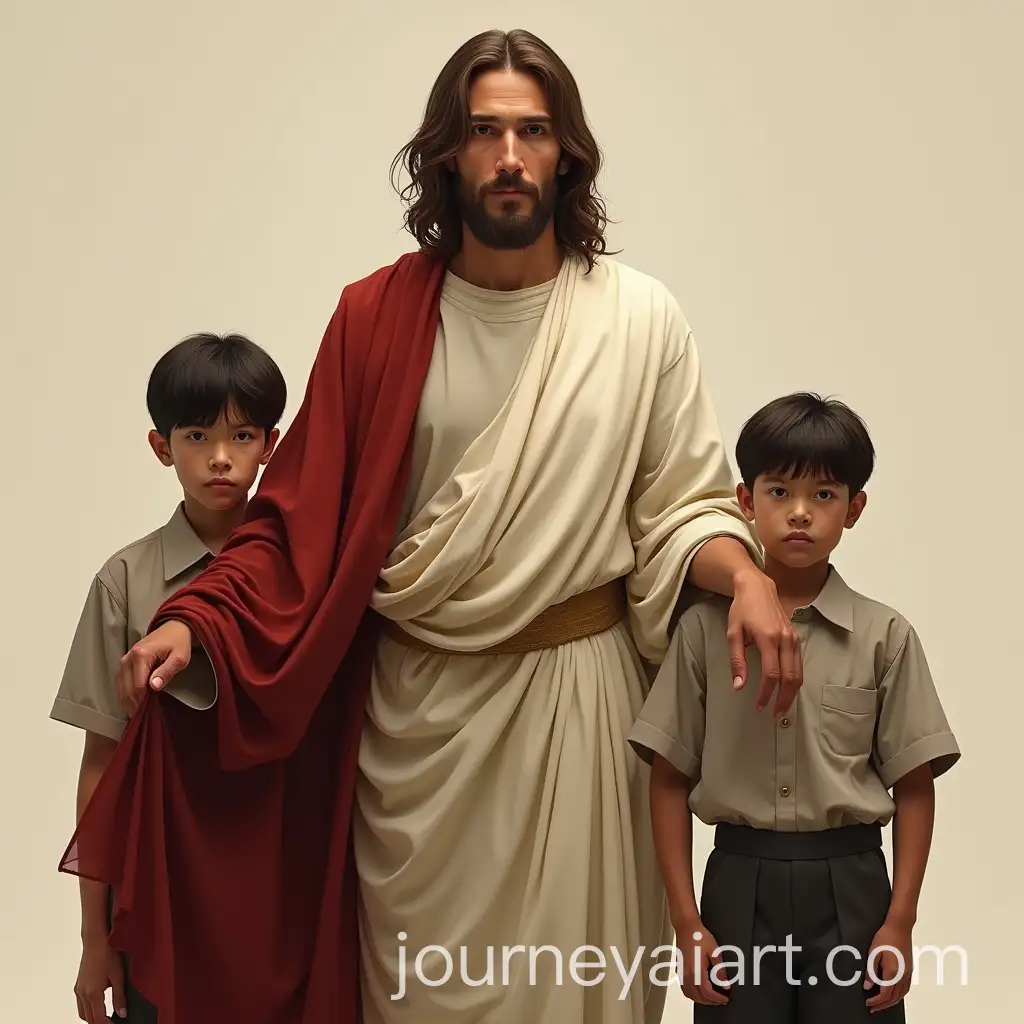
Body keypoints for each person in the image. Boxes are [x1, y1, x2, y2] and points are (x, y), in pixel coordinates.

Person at [60, 29, 807, 1024]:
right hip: (416, 723)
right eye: (483, 131)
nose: (507, 155)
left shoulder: (637, 320)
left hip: (573, 713)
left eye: (531, 131)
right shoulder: (374, 318)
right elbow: (296, 521)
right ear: (446, 154)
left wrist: (747, 576)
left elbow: (681, 510)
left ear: (566, 153)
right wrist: (197, 620)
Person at [628, 392, 961, 1022]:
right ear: (745, 502)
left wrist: (900, 922)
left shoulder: (885, 637)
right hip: (739, 885)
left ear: (855, 509)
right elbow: (668, 778)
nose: (800, 514)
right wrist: (687, 923)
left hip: (852, 888)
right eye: (779, 492)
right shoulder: (701, 632)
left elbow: (915, 786)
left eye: (825, 495)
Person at [50, 332, 286, 1023]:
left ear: (271, 443)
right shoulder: (126, 582)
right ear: (162, 447)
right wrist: (95, 940)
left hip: (276, 887)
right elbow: (100, 768)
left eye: (242, 435)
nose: (220, 458)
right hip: (161, 892)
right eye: (196, 435)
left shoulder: (296, 575)